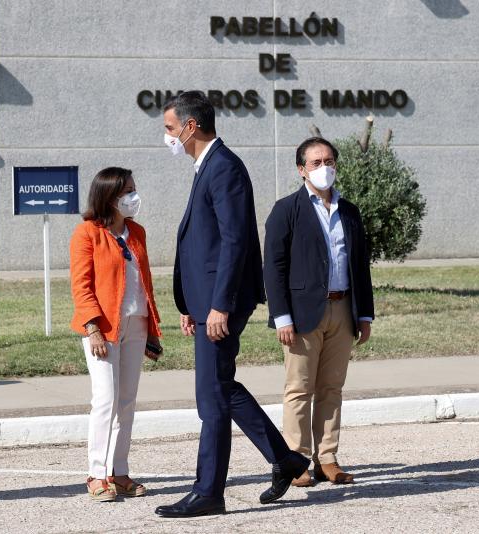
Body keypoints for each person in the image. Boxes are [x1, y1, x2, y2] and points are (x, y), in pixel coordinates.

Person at [154, 91, 309, 519]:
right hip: (207, 303)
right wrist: (192, 303)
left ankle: (208, 492)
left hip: (222, 303)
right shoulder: (207, 166)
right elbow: (204, 244)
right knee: (220, 388)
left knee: (211, 399)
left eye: (170, 128)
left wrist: (219, 305)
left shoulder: (224, 167)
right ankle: (285, 459)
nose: (167, 137)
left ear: (190, 127)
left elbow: (235, 241)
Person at [263, 137, 374, 487]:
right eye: (315, 162)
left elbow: (360, 264)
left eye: (329, 161)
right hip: (301, 315)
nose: (323, 168)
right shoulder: (286, 210)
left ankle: (327, 458)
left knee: (331, 388)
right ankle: (296, 461)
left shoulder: (349, 211)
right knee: (299, 389)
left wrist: (365, 314)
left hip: (343, 309)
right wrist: (281, 316)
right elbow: (273, 268)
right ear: (302, 169)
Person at [69, 167, 163, 502]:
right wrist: (92, 327)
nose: (133, 196)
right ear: (109, 196)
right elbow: (81, 286)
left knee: (127, 402)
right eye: (127, 191)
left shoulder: (136, 231)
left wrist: (152, 327)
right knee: (106, 400)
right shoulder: (87, 233)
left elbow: (145, 282)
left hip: (136, 323)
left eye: (133, 189)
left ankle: (118, 472)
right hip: (103, 328)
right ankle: (96, 474)